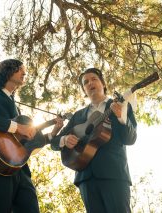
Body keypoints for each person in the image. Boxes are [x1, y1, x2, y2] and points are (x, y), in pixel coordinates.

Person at [0, 59, 63, 213]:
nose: (24, 73)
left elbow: (29, 145)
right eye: (20, 69)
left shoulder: (16, 107)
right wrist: (17, 127)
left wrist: (53, 132)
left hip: (21, 171)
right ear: (7, 71)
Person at [51, 68, 137, 213]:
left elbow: (130, 138)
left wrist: (121, 118)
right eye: (86, 82)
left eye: (94, 79)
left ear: (103, 84)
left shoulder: (121, 106)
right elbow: (54, 143)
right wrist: (65, 139)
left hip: (114, 174)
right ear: (84, 90)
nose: (90, 83)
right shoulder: (78, 116)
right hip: (86, 178)